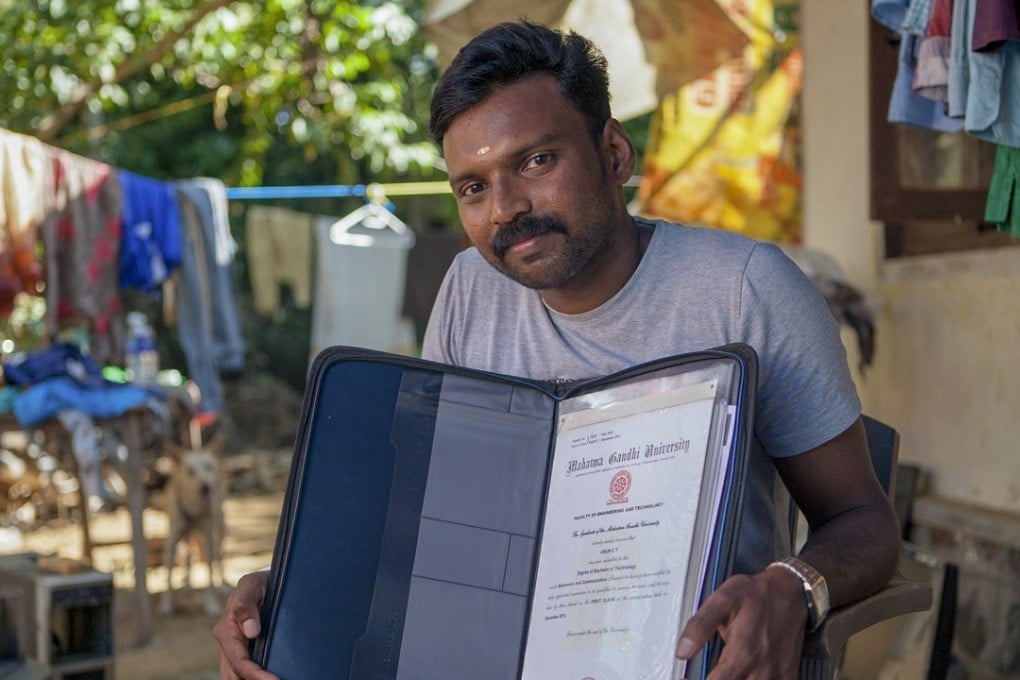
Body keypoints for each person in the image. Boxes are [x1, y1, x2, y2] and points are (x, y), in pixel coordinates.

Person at [215, 20, 901, 680]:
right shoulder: (469, 290)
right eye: (474, 188)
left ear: (613, 154)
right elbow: (427, 523)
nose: (505, 208)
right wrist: (293, 589)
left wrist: (791, 586)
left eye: (536, 161)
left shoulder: (744, 289)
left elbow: (864, 523)